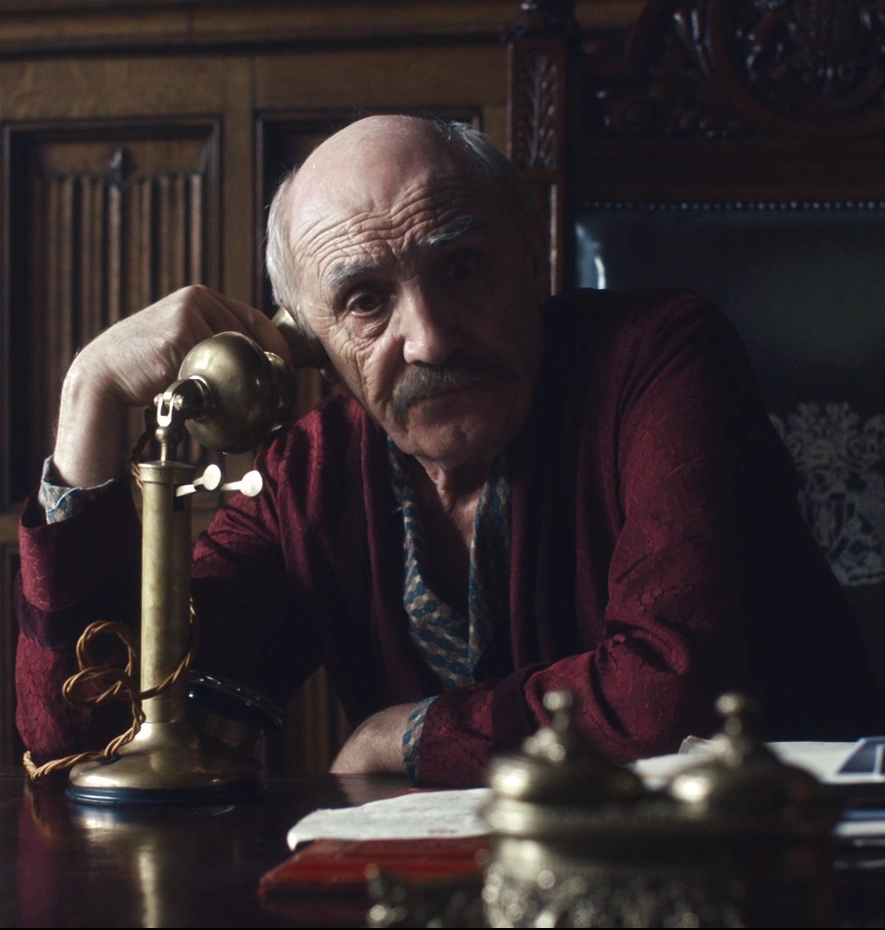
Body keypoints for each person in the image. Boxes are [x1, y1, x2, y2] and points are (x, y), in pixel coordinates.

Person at [14, 115, 885, 786]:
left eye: (462, 269)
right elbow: (89, 739)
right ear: (308, 340)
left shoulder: (659, 359)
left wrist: (409, 734)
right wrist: (88, 399)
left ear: (533, 255)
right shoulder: (309, 475)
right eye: (365, 301)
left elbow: (670, 696)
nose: (429, 339)